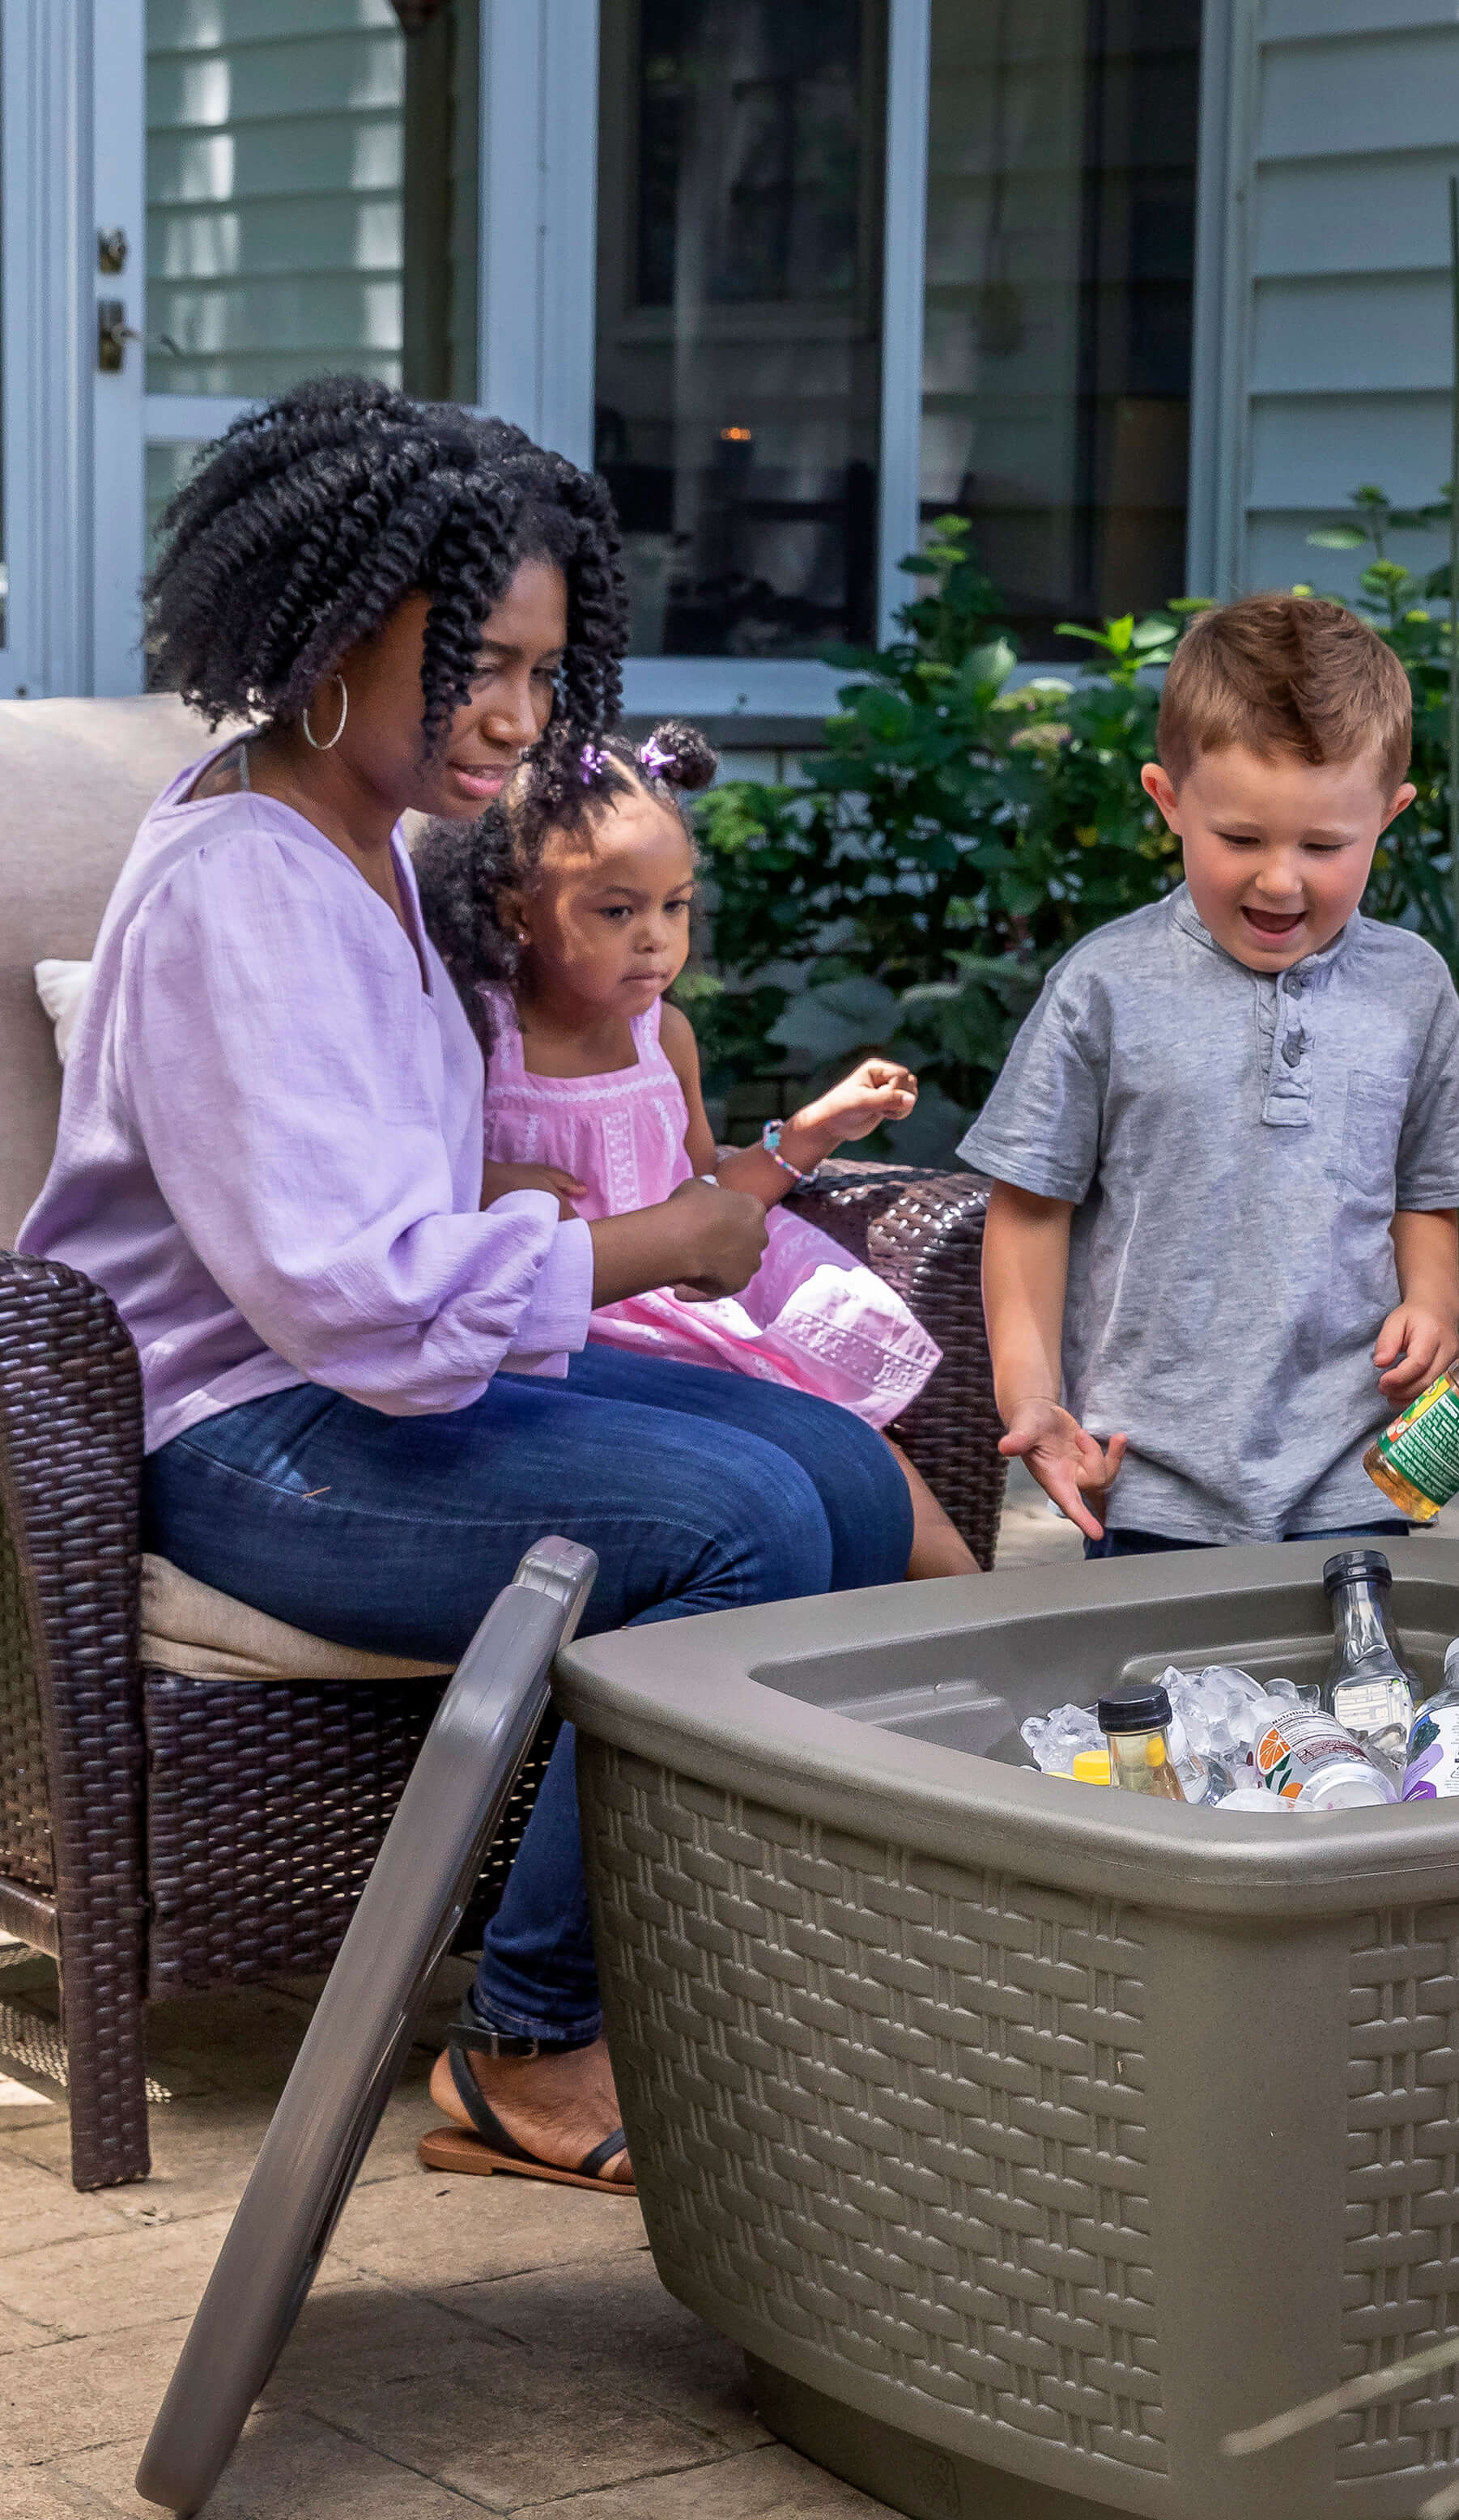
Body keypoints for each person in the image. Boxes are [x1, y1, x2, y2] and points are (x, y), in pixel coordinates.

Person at [20, 379, 913, 2195]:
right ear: (334, 628)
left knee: (829, 1475)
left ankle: (687, 1980)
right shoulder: (239, 889)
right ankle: (524, 2041)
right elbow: (348, 1294)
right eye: (472, 666)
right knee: (737, 1522)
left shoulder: (375, 849)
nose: (513, 719)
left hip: (374, 1390)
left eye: (540, 671)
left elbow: (443, 1152)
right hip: (244, 1430)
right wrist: (648, 1246)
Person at [964, 593, 1459, 1553]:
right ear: (1168, 800)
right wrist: (1030, 1393)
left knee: (1351, 1699)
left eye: (1323, 846)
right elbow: (1030, 1205)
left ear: (1389, 816)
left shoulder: (1413, 986)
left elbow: (1425, 1190)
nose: (1279, 880)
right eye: (1240, 838)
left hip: (1359, 1465)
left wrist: (1433, 1304)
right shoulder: (1103, 987)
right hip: (1146, 1468)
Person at [419, 719, 977, 1579]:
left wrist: (811, 1131)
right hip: (566, 1336)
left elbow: (705, 1189)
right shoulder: (480, 1039)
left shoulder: (663, 1036)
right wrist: (485, 1179)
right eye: (617, 909)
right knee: (784, 1492)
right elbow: (411, 1201)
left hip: (691, 1313)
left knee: (919, 1525)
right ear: (515, 910)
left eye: (674, 905)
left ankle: (979, 1675)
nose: (656, 937)